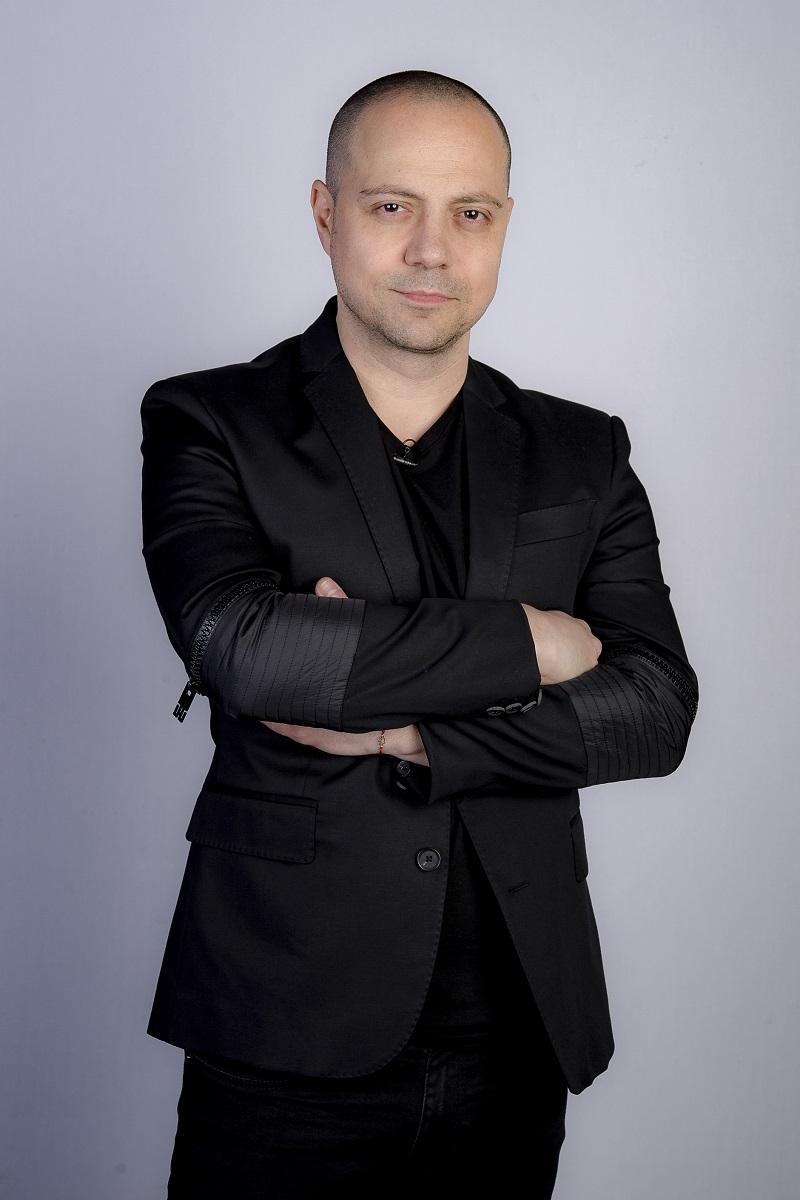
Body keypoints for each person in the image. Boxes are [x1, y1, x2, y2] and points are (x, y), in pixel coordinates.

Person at [140, 69, 699, 1198]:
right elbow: (247, 650)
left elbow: (653, 710)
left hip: (518, 1025)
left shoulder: (582, 450)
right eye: (392, 205)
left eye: (470, 212)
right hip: (284, 1022)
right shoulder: (210, 420)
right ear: (325, 214)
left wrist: (411, 733)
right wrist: (533, 644)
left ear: (503, 226)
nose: (432, 250)